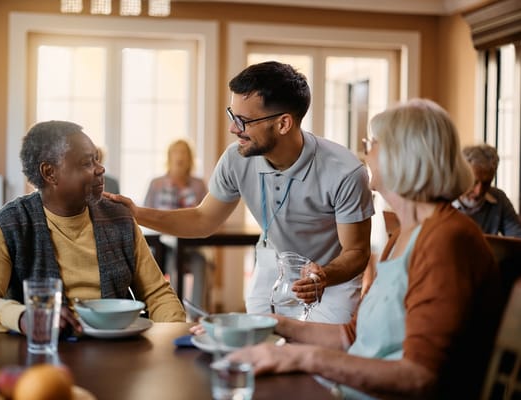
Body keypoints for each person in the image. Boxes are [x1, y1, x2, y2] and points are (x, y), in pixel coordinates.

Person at [225, 99, 502, 399]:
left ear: (403, 156)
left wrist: (301, 357)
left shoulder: (447, 240)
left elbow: (420, 376)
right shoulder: (403, 235)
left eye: (372, 143)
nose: (365, 151)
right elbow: (352, 337)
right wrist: (272, 324)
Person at [106, 61, 374, 323]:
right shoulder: (236, 158)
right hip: (271, 266)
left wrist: (323, 276)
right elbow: (203, 220)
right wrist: (136, 214)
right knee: (261, 353)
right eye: (232, 115)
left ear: (283, 124)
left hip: (330, 280)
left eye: (244, 120)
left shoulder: (345, 172)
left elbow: (357, 252)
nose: (234, 128)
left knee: (318, 360)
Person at [0, 121, 185, 335]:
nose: (100, 169)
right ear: (49, 173)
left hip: (117, 350)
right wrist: (23, 317)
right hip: (43, 351)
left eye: (96, 159)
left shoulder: (120, 218)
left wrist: (173, 337)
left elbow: (158, 295)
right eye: (87, 163)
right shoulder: (8, 226)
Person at [144, 139, 210, 310]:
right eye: (176, 152)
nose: (180, 156)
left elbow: (207, 215)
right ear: (169, 156)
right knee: (174, 261)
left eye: (184, 152)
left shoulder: (198, 184)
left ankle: (196, 314)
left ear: (190, 158)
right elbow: (145, 214)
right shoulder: (156, 183)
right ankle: (174, 310)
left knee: (201, 263)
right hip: (163, 247)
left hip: (191, 244)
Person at [453, 143, 521, 237]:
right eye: (474, 182)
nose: (479, 191)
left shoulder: (499, 198)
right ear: (461, 175)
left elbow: (516, 237)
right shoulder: (442, 200)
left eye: (486, 183)